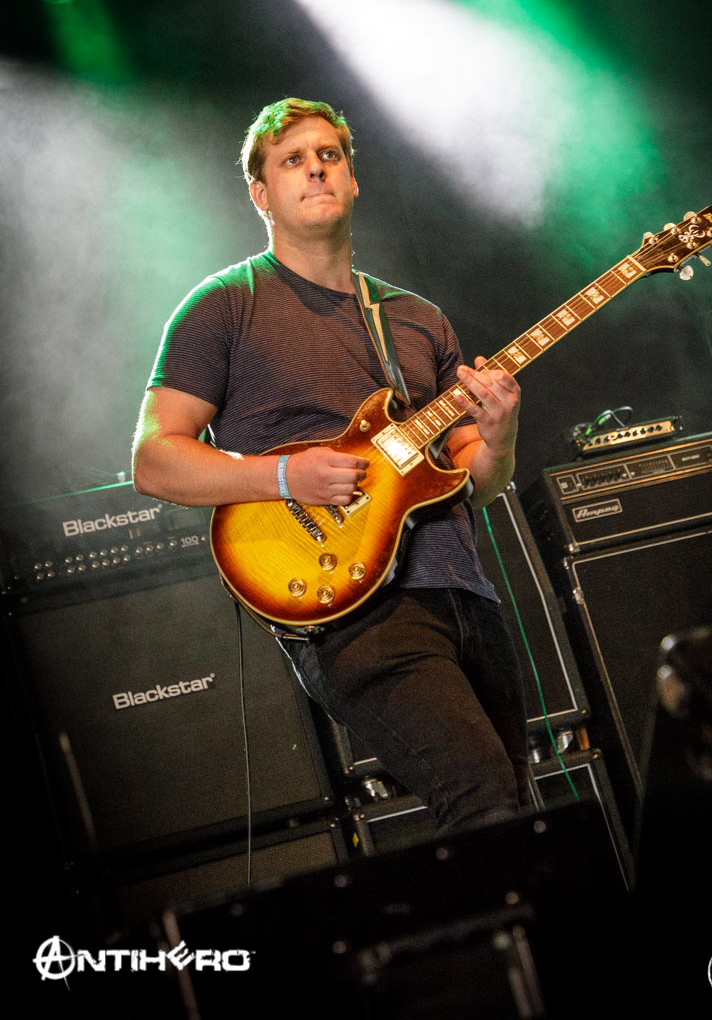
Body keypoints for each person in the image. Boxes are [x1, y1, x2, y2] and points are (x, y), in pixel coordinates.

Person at [132, 96, 529, 830]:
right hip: (348, 605)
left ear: (353, 180)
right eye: (293, 160)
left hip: (463, 592)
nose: (316, 168)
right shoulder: (223, 306)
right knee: (482, 798)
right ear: (261, 194)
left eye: (329, 155)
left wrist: (498, 438)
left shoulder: (416, 319)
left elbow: (477, 482)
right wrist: (286, 476)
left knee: (515, 809)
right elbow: (154, 461)